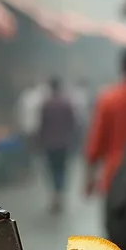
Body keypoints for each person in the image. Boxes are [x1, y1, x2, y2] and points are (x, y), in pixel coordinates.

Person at [85, 48, 126, 197]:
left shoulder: (108, 99)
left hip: (114, 176)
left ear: (123, 68)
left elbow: (97, 141)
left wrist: (89, 177)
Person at [37, 76, 77, 213]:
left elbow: (42, 125)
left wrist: (40, 141)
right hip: (63, 143)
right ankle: (59, 195)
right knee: (62, 169)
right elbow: (72, 123)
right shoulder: (66, 104)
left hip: (50, 143)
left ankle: (55, 195)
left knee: (52, 170)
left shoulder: (46, 104)